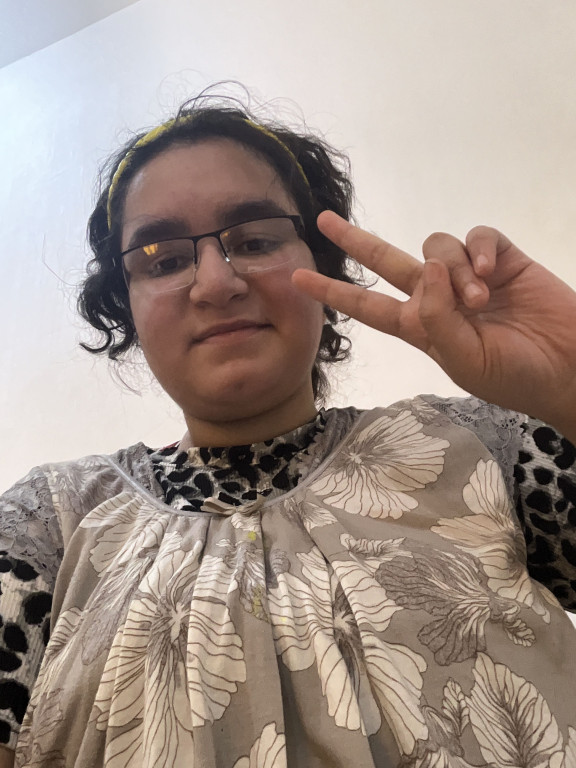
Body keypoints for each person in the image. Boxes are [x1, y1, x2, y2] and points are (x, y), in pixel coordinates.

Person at [1, 91, 575, 768]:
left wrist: (570, 387)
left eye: (255, 240)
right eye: (162, 259)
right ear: (125, 305)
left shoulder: (484, 447)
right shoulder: (50, 523)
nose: (215, 283)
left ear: (323, 269)